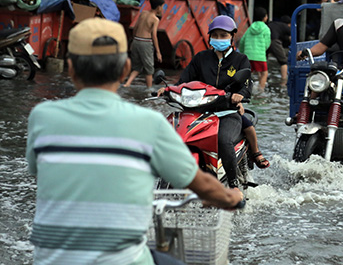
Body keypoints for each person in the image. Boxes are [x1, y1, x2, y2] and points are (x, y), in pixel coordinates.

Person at [26, 18, 243, 265]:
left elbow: (40, 172)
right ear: (125, 69)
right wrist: (231, 197)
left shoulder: (42, 117)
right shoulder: (149, 123)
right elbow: (199, 182)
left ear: (71, 68)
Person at [176, 15, 270, 181]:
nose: (219, 39)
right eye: (215, 35)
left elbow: (247, 84)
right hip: (201, 110)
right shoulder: (200, 58)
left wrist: (240, 95)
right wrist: (170, 90)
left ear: (232, 36)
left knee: (225, 139)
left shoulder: (240, 60)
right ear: (210, 37)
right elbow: (184, 80)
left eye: (224, 35)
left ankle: (233, 184)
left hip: (227, 110)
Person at [124, 0, 164, 88]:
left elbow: (135, 27)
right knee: (149, 69)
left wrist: (133, 39)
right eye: (162, 6)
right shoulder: (155, 19)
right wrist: (158, 52)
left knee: (137, 67)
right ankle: (149, 89)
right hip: (145, 43)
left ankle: (127, 84)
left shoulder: (143, 13)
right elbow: (154, 36)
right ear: (158, 7)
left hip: (136, 41)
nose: (162, 9)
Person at [239, 7, 271, 92]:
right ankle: (261, 90)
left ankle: (244, 90)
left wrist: (242, 52)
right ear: (264, 17)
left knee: (247, 74)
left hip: (248, 55)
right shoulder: (266, 28)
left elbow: (242, 41)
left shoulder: (250, 28)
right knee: (264, 73)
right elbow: (267, 43)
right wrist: (263, 50)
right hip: (259, 56)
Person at [267, 15, 291, 85]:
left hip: (264, 41)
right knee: (283, 61)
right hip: (274, 41)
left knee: (264, 61)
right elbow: (291, 37)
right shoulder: (286, 27)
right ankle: (283, 81)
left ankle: (263, 80)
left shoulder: (274, 24)